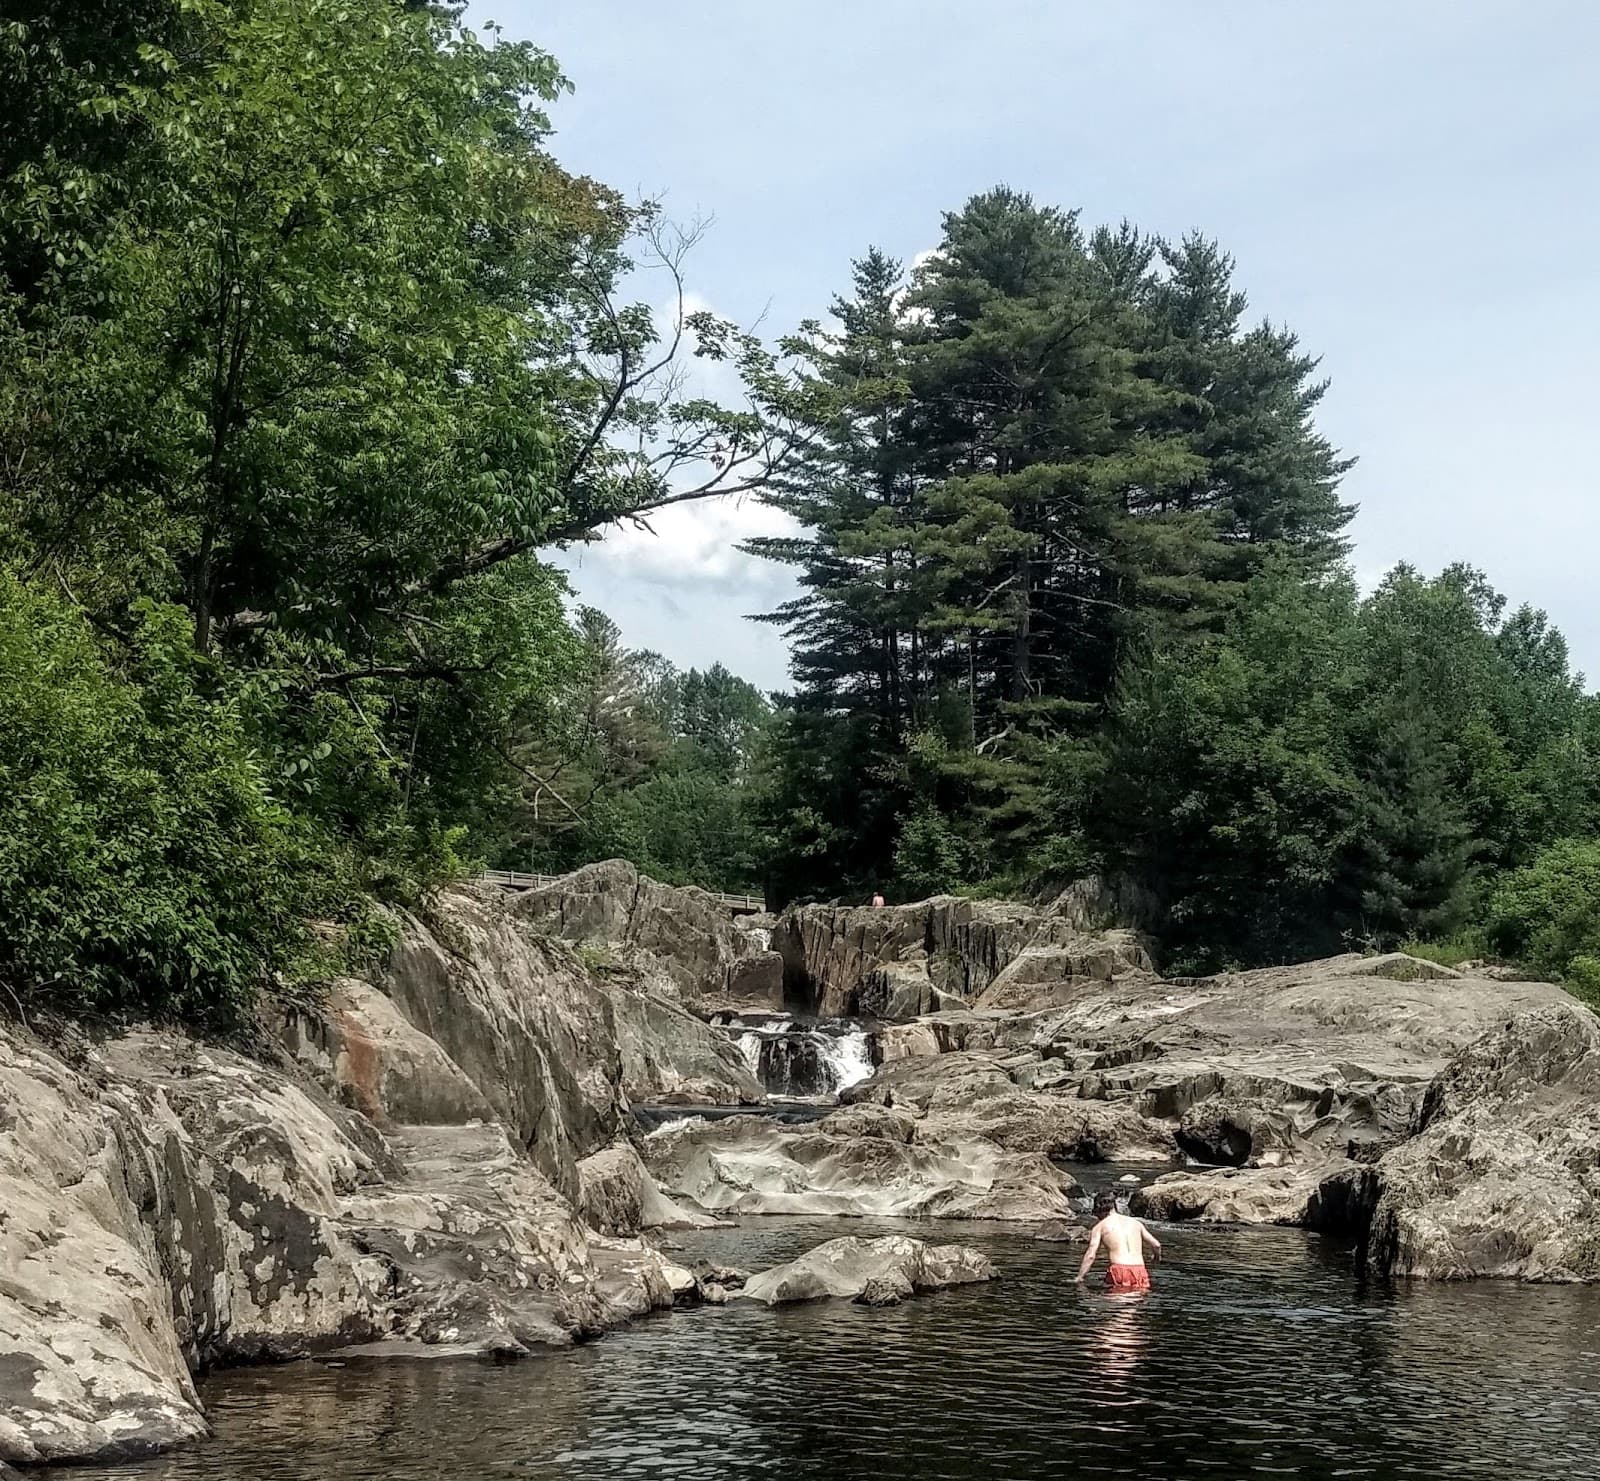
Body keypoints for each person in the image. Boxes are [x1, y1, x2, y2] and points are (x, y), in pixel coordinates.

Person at [1076, 1190, 1161, 1291]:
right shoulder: (1136, 1223)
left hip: (1119, 1270)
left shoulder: (1100, 1226)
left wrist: (1080, 1277)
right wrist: (1156, 1258)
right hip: (1139, 1270)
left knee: (1115, 1305)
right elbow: (1156, 1245)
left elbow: (1090, 1255)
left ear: (1098, 1208)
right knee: (1134, 1304)